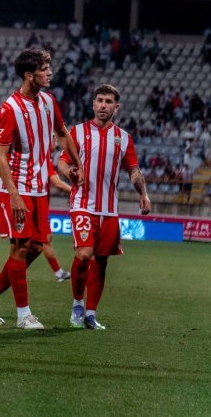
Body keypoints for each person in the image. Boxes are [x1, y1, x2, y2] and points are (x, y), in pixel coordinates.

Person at [0, 47, 83, 330]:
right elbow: (0, 155)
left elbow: (62, 133)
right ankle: (24, 315)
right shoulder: (9, 109)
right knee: (21, 248)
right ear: (29, 75)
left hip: (39, 189)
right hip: (18, 189)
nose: (50, 72)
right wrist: (13, 194)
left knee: (36, 247)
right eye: (44, 68)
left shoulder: (48, 101)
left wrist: (78, 163)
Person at [62, 84, 151, 330]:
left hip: (109, 209)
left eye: (108, 101)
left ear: (116, 107)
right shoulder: (77, 132)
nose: (103, 105)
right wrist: (69, 172)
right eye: (100, 100)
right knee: (84, 254)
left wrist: (143, 194)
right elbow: (62, 162)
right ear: (93, 104)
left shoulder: (124, 138)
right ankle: (77, 304)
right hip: (82, 204)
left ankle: (90, 314)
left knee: (101, 262)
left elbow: (134, 170)